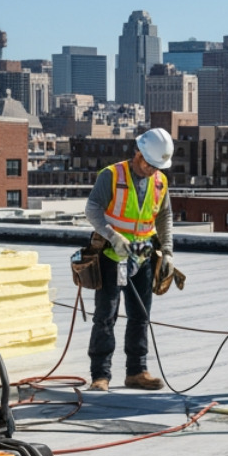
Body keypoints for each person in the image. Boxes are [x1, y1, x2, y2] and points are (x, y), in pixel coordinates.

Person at [84, 128, 175, 392]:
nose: (152, 170)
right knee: (105, 316)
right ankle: (100, 375)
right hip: (112, 256)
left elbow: (164, 216)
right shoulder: (112, 176)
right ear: (139, 153)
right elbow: (92, 209)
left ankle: (136, 371)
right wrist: (112, 236)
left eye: (157, 166)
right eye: (150, 164)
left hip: (143, 256)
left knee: (140, 315)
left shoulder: (160, 182)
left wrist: (167, 251)